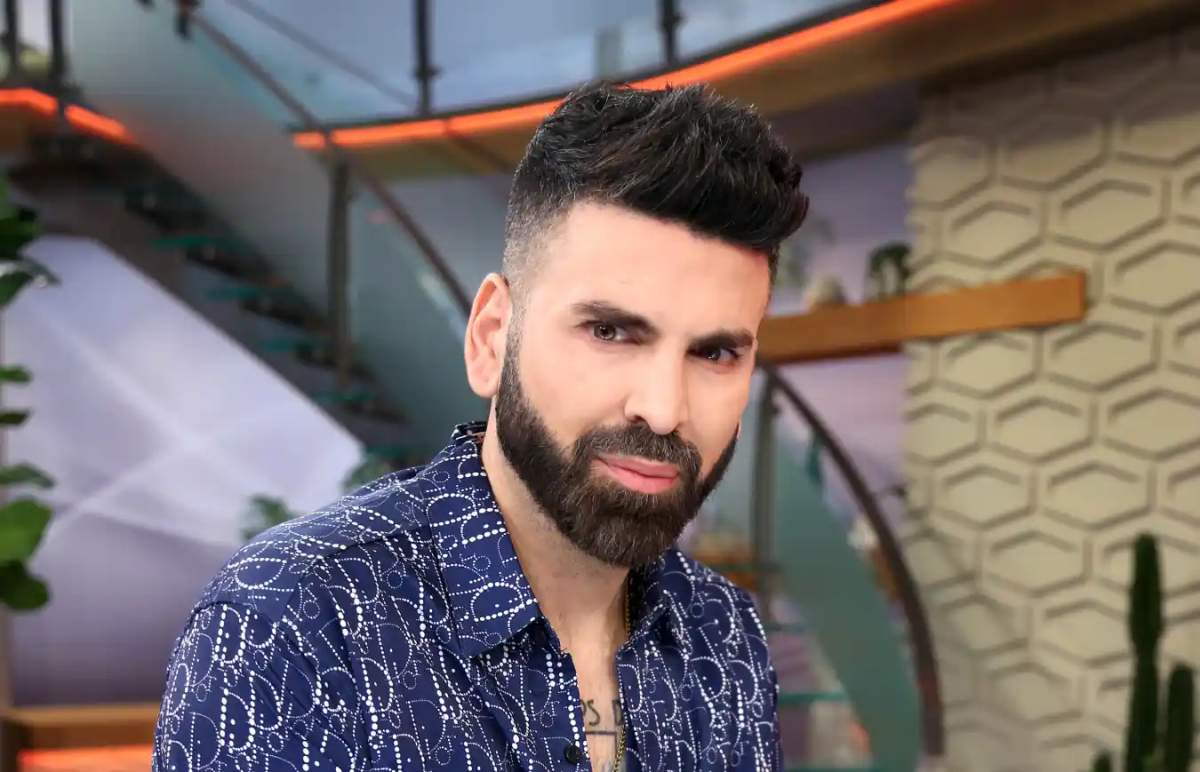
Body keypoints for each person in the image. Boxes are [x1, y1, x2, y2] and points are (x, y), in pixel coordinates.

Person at [153, 82, 807, 772]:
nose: (665, 408)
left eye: (715, 353)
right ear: (492, 338)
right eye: (610, 332)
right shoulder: (295, 621)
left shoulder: (725, 637)